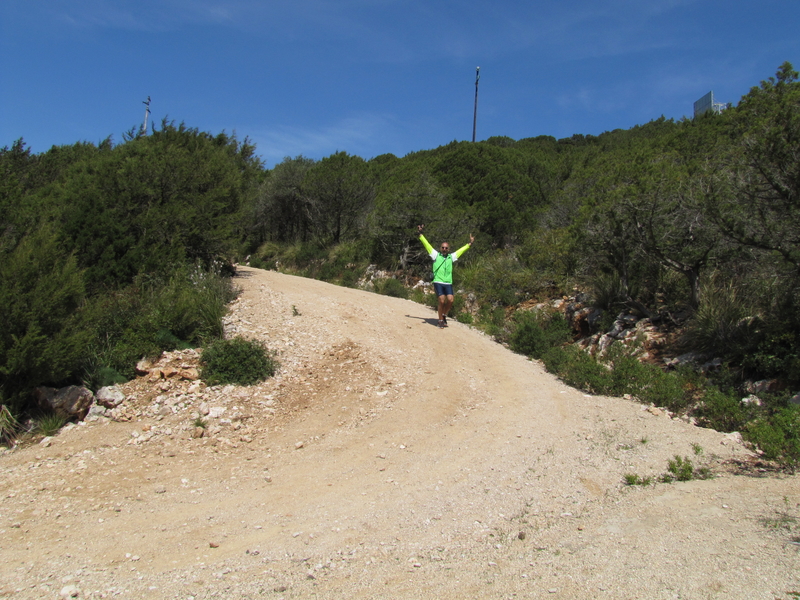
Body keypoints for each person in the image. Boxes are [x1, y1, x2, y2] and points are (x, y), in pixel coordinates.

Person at [417, 224, 474, 328]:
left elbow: (461, 251)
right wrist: (420, 234)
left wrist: (469, 244)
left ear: (448, 249)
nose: (444, 249)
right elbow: (426, 244)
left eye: (446, 248)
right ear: (440, 248)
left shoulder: (451, 257)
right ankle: (440, 321)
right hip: (438, 281)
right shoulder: (435, 254)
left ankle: (443, 315)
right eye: (443, 247)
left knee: (451, 300)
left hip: (448, 282)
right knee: (442, 300)